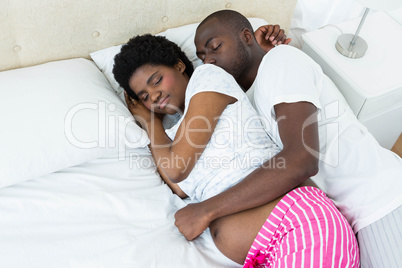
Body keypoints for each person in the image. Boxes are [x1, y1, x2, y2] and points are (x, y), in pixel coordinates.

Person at [174, 9, 402, 268]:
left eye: (214, 47)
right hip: (350, 220)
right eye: (202, 57)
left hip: (379, 200)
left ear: (246, 35)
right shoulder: (251, 97)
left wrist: (207, 210)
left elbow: (300, 160)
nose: (209, 61)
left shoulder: (281, 62)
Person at [112, 34, 359, 267]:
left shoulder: (207, 79)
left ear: (178, 66)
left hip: (300, 228)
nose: (154, 95)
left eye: (156, 80)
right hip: (266, 253)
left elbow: (176, 170)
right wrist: (149, 122)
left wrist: (150, 121)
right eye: (144, 96)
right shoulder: (173, 140)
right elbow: (177, 185)